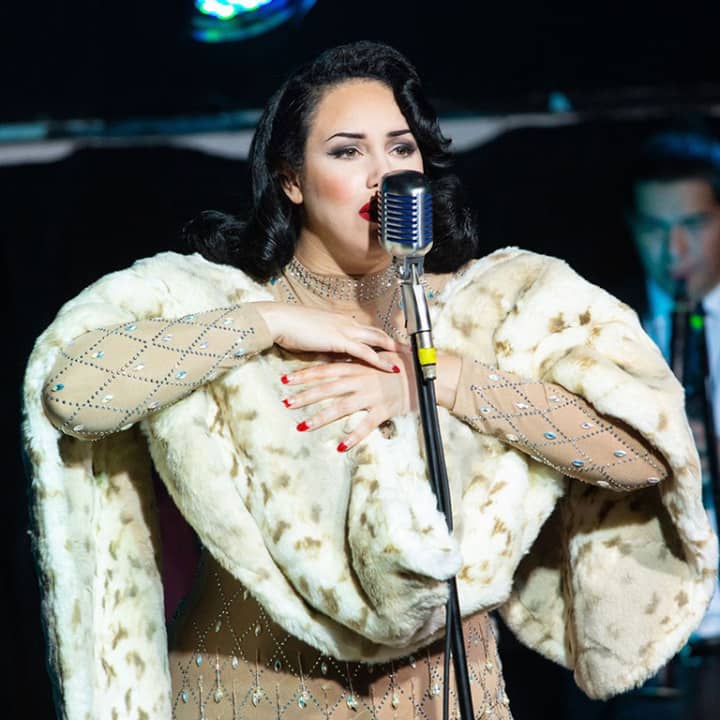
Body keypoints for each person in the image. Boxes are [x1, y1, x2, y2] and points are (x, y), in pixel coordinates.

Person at [22, 42, 717, 720]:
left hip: (442, 693)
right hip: (249, 689)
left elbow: (643, 454)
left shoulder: (495, 308)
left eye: (401, 149)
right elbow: (71, 395)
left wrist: (441, 381)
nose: (384, 175)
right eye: (347, 152)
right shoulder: (215, 303)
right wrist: (266, 323)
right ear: (291, 179)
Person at [626, 128, 720, 717]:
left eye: (693, 225)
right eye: (655, 229)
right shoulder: (606, 330)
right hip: (644, 646)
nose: (674, 252)